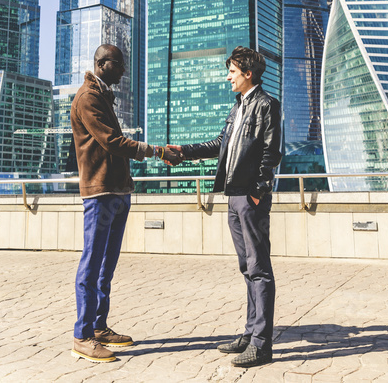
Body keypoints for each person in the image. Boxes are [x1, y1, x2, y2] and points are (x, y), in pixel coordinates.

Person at [166, 46, 282, 368]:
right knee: (247, 267)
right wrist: (184, 152)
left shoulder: (266, 105)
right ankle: (250, 332)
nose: (228, 77)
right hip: (234, 196)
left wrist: (258, 192)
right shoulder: (238, 107)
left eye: (232, 72)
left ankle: (261, 345)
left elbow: (271, 152)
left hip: (250, 197)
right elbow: (221, 145)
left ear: (248, 73)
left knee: (259, 270)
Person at [70, 43, 178, 363]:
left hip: (117, 191)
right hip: (100, 192)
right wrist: (157, 151)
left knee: (107, 266)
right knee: (92, 265)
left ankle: (99, 327)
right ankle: (82, 336)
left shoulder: (103, 96)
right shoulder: (88, 98)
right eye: (118, 64)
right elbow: (111, 142)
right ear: (102, 64)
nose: (123, 70)